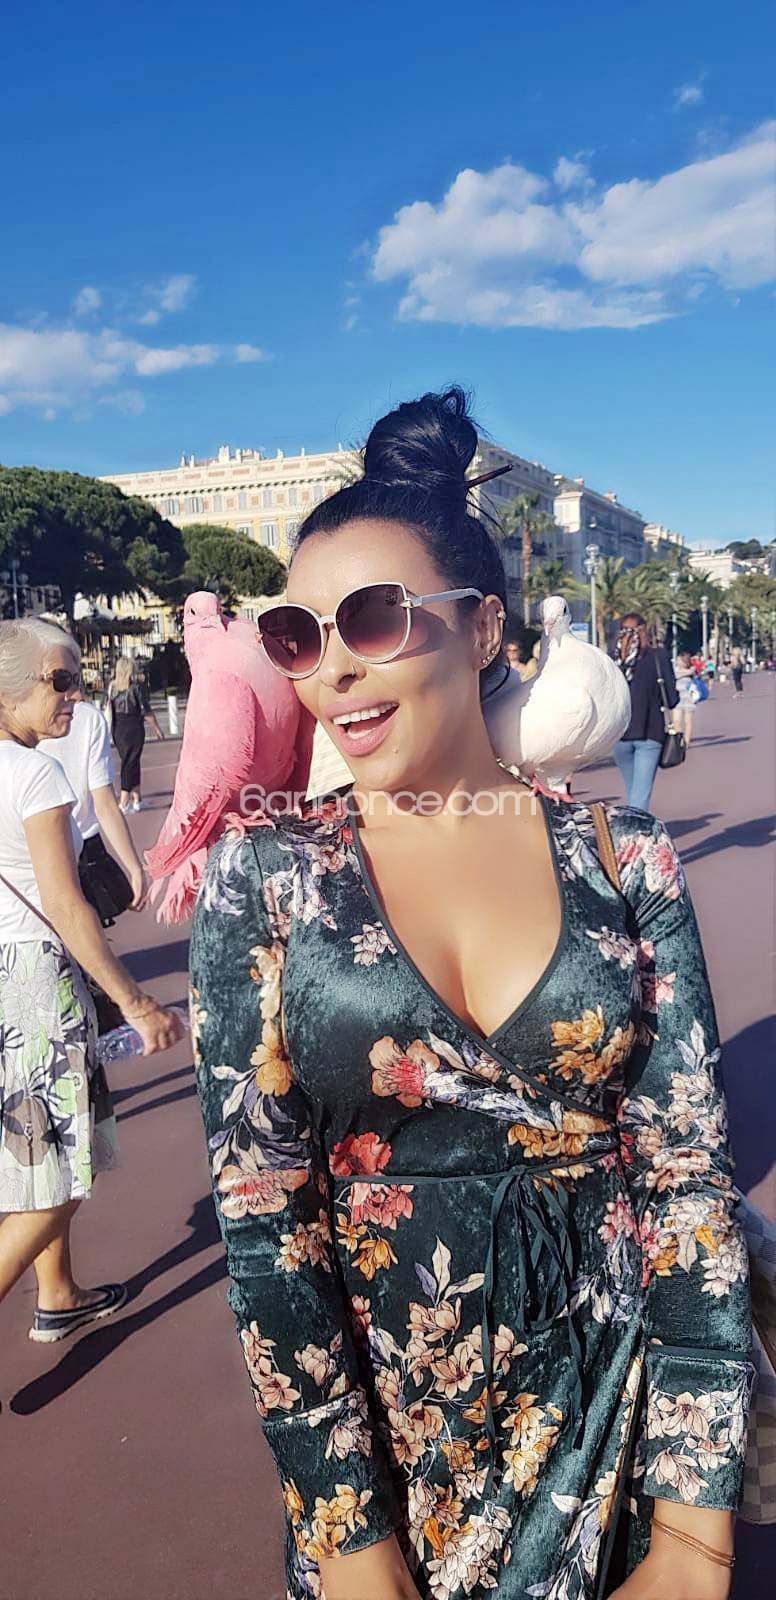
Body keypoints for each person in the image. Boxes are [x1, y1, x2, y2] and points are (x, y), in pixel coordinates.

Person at [191, 390, 751, 1600]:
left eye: (372, 616)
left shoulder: (623, 860)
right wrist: (349, 1542)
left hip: (611, 1420)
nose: (334, 665)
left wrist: (693, 1535)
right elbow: (264, 1227)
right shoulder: (268, 876)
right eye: (295, 635)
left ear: (482, 626)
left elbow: (686, 1181)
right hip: (388, 1457)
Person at [0, 619, 184, 1342]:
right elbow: (66, 905)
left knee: (32, 1151)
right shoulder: (35, 774)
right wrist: (134, 1002)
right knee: (63, 1171)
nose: (75, 696)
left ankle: (58, 1293)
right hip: (37, 982)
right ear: (10, 689)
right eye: (60, 681)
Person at [39, 695, 148, 912]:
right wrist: (134, 868)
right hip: (82, 849)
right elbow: (104, 804)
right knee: (85, 929)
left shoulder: (17, 722)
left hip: (31, 856)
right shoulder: (87, 717)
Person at [613, 614, 679, 812]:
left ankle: (632, 826)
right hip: (650, 733)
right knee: (640, 794)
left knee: (632, 789)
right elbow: (672, 699)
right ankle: (635, 829)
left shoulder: (613, 661)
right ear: (643, 630)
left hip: (618, 735)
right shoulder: (657, 657)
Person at [107, 656, 164, 812]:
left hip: (118, 729)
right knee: (129, 763)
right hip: (133, 728)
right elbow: (145, 710)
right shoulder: (136, 688)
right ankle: (124, 800)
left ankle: (137, 798)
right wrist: (157, 728)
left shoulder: (112, 688)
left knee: (131, 761)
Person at [674, 650, 699, 750]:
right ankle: (678, 740)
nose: (677, 662)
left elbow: (692, 672)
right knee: (676, 721)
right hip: (677, 698)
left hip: (689, 698)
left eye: (679, 660)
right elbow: (675, 675)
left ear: (684, 662)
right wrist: (686, 673)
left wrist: (686, 672)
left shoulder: (692, 670)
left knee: (687, 721)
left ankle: (686, 741)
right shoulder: (676, 670)